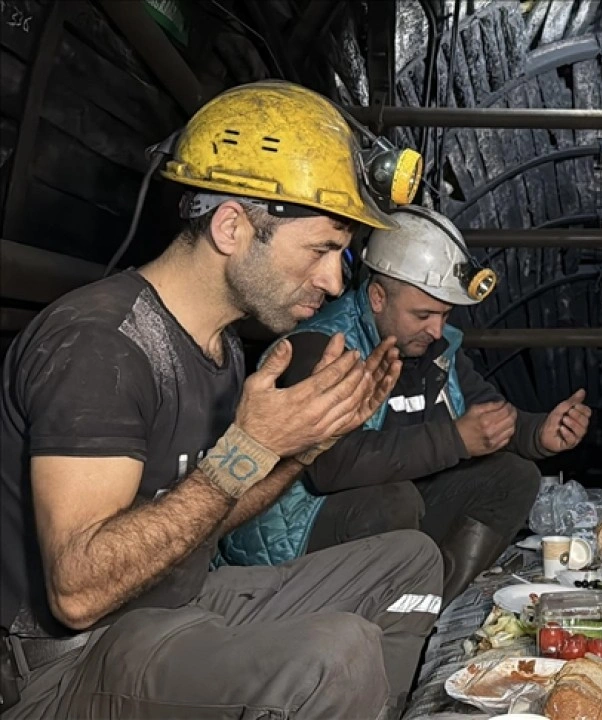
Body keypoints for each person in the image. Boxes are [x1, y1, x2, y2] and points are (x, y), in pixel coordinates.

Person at [0, 81, 441, 720]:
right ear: (232, 227)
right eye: (322, 249)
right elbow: (78, 591)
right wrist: (249, 446)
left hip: (176, 605)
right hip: (69, 663)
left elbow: (203, 512)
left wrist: (299, 450)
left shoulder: (221, 345)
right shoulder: (101, 346)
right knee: (334, 655)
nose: (333, 279)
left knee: (409, 564)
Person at [220, 206, 592, 604]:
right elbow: (331, 466)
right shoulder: (321, 347)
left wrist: (538, 434)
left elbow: (487, 416)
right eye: (423, 314)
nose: (436, 329)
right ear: (378, 297)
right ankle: (386, 613)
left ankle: (430, 605)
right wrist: (454, 439)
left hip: (387, 514)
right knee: (393, 500)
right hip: (293, 529)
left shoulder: (434, 348)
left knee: (514, 476)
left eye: (444, 314)